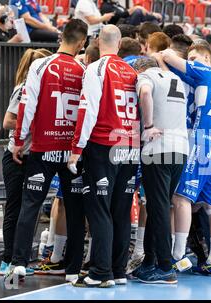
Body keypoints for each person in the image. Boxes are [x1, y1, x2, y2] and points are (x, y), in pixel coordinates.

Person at [6, 19, 88, 284]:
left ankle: (18, 263)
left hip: (43, 148)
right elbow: (88, 110)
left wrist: (19, 140)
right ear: (83, 42)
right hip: (71, 152)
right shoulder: (84, 69)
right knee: (75, 209)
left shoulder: (40, 65)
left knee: (30, 205)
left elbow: (27, 104)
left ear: (61, 36)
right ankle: (74, 268)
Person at [69, 25, 140, 288]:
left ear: (98, 42)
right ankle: (118, 270)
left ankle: (100, 272)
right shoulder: (132, 71)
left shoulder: (96, 68)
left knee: (99, 209)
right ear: (120, 43)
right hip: (131, 145)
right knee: (121, 211)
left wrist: (76, 150)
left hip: (103, 145)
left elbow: (87, 109)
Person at [159, 44, 211, 276]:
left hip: (201, 142)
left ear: (208, 60)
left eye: (195, 58)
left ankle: (176, 256)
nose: (191, 61)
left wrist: (162, 55)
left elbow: (167, 56)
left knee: (180, 199)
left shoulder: (205, 72)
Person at [132, 57, 188, 284]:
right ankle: (149, 262)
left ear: (140, 69)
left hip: (158, 149)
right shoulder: (175, 78)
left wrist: (148, 125)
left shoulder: (145, 77)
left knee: (159, 208)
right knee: (160, 205)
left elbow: (144, 93)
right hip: (181, 149)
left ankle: (165, 266)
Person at [0, 48, 52, 276]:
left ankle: (21, 259)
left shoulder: (39, 91)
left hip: (33, 155)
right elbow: (7, 121)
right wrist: (31, 121)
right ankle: (7, 261)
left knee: (29, 209)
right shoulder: (22, 90)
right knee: (15, 208)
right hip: (16, 157)